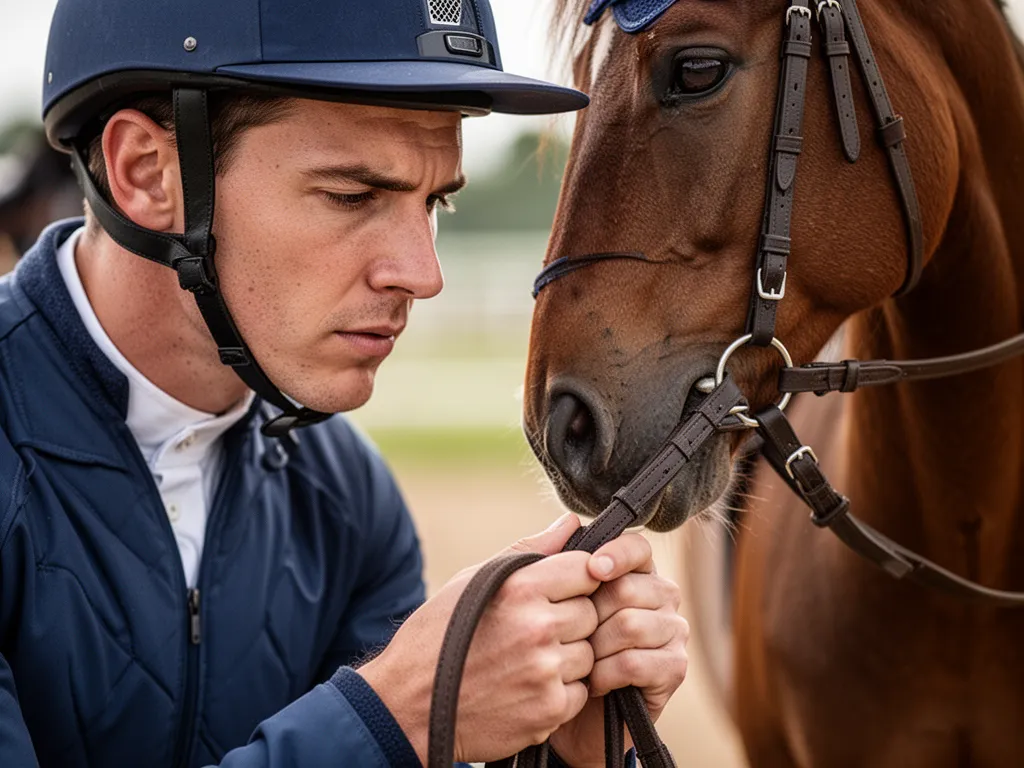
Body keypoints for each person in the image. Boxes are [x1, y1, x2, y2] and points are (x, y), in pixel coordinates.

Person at [0, 0, 692, 766]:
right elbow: (388, 728)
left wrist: (562, 756)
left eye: (434, 202)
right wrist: (393, 718)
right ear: (147, 172)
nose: (424, 276)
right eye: (353, 196)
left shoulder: (349, 495)